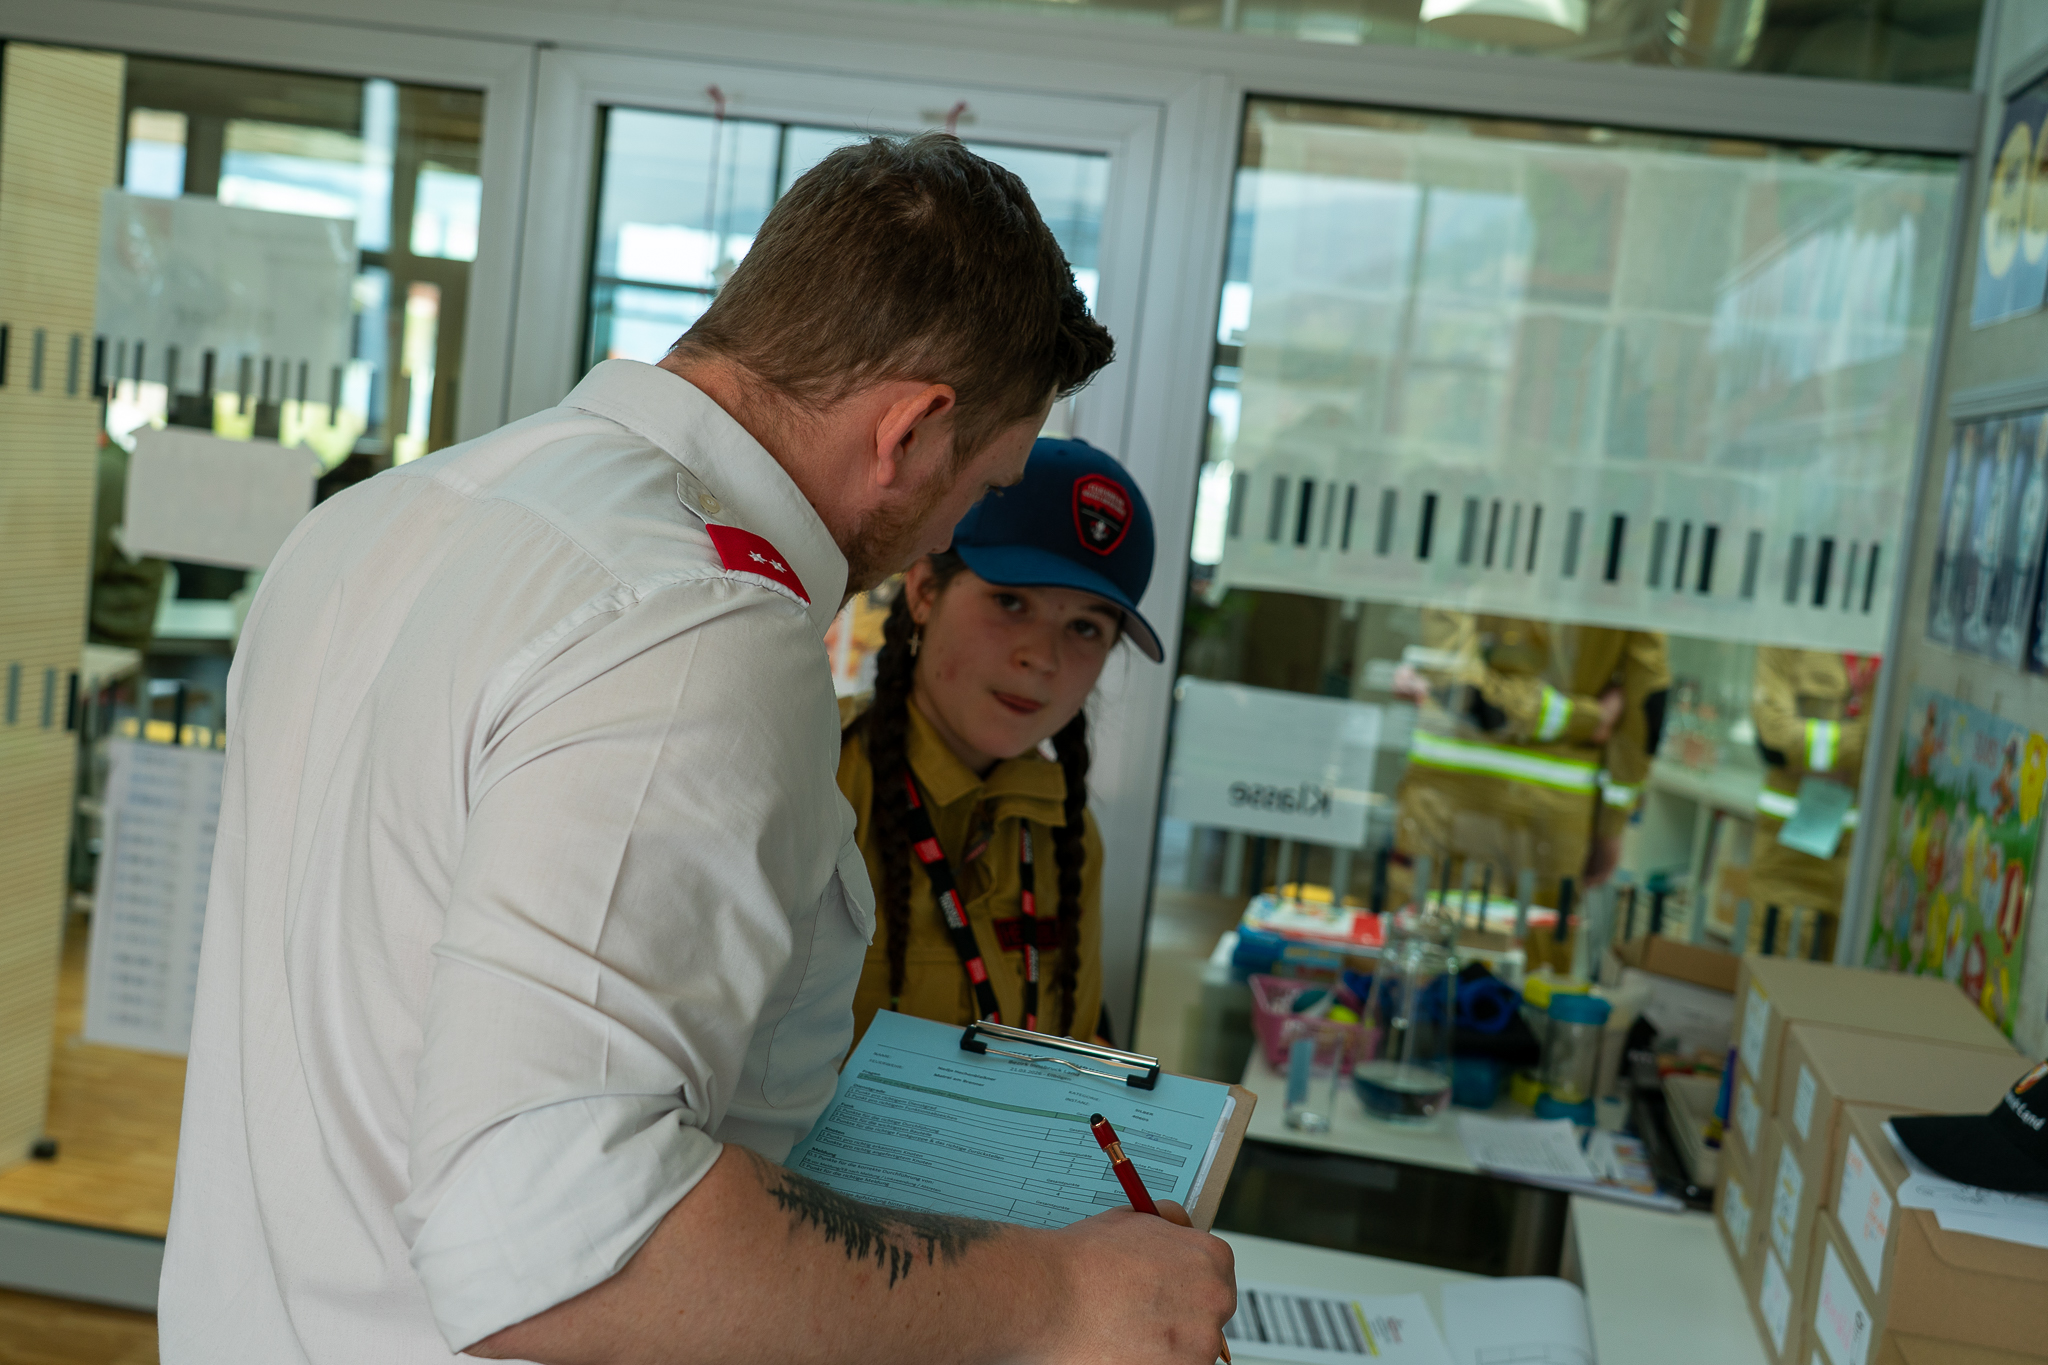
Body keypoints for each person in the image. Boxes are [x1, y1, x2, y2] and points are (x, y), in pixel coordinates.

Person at [159, 134, 1235, 1365]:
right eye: (983, 488)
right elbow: (556, 1246)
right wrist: (1058, 1298)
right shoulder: (695, 623)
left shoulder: (383, 518)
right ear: (909, 431)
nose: (954, 526)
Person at [838, 438, 1161, 1046]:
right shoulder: (818, 781)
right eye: (1011, 601)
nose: (1042, 657)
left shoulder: (1068, 835)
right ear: (924, 590)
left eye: (1085, 626)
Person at [1392, 612, 1670, 959]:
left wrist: (1551, 714)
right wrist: (1584, 718)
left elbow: (1459, 687)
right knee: (1535, 976)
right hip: (1553, 818)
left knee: (1423, 964)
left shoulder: (1470, 576)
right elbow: (1647, 701)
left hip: (1447, 805)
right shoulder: (1629, 582)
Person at [1746, 646, 1878, 958]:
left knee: (1841, 981)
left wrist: (1810, 755)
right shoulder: (1795, 639)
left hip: (1864, 862)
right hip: (1788, 855)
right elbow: (1774, 739)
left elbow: (1893, 745)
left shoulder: (1899, 646)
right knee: (1771, 971)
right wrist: (1863, 745)